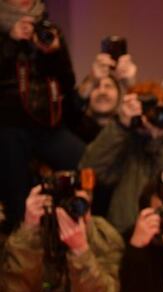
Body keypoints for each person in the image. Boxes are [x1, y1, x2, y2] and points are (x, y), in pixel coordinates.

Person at [0, 0, 85, 233]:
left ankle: (79, 229)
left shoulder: (48, 28)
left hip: (48, 124)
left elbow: (67, 83)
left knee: (86, 166)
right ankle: (19, 247)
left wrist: (52, 54)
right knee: (16, 193)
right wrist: (10, 42)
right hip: (7, 125)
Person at [1, 183, 123, 292]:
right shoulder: (31, 233)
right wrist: (29, 230)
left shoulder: (103, 235)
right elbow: (16, 291)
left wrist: (80, 250)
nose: (65, 208)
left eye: (76, 201)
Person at [79, 82, 163, 233]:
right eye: (146, 109)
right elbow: (90, 170)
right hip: (120, 234)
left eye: (157, 111)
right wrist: (120, 125)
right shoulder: (120, 141)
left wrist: (160, 139)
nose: (150, 116)